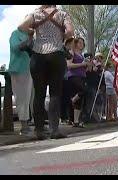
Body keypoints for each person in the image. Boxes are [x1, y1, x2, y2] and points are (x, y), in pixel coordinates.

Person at [18, 5, 74, 140]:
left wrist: (32, 31)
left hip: (38, 56)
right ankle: (54, 130)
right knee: (55, 93)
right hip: (56, 53)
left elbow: (21, 26)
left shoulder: (35, 13)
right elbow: (70, 32)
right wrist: (61, 35)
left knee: (39, 94)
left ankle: (39, 131)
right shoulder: (62, 13)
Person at [8, 28, 33, 136]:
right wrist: (29, 39)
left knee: (28, 99)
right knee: (21, 98)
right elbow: (15, 48)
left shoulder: (31, 36)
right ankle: (24, 126)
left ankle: (28, 124)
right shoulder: (15, 34)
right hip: (18, 69)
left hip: (29, 69)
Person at [67, 37, 88, 128]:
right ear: (75, 43)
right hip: (73, 76)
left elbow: (84, 67)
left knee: (80, 101)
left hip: (82, 76)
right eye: (79, 43)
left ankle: (76, 121)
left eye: (82, 43)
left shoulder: (82, 55)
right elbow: (69, 65)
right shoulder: (72, 53)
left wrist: (87, 65)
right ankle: (72, 99)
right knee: (84, 90)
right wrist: (81, 64)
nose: (81, 44)